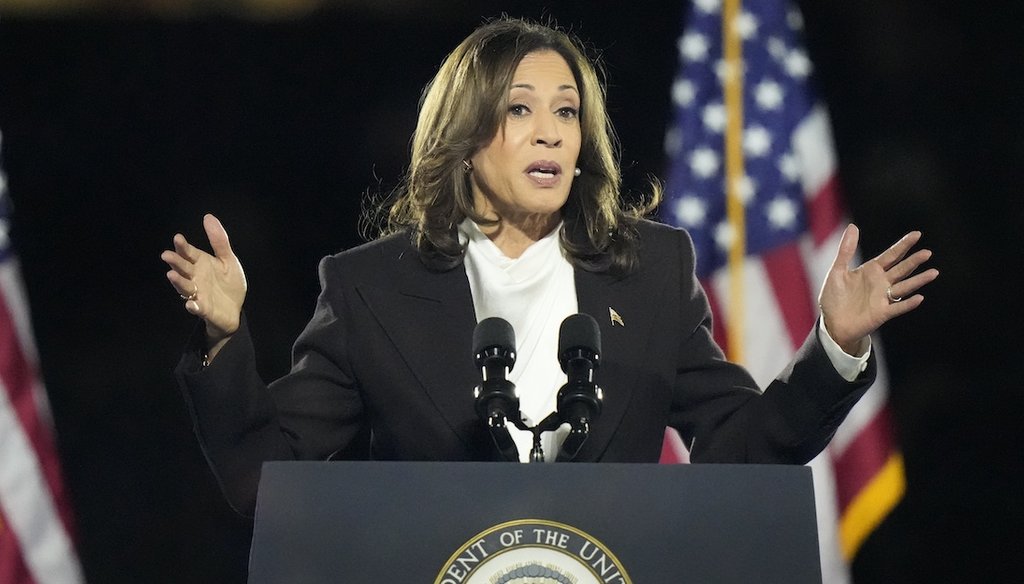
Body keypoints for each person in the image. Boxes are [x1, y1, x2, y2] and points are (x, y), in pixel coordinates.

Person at [161, 17, 937, 517]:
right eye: (520, 109)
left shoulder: (651, 269)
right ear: (467, 138)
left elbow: (741, 447)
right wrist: (227, 341)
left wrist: (833, 346)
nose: (550, 134)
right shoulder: (369, 289)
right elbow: (269, 482)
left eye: (566, 112)